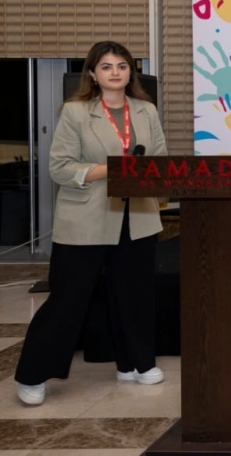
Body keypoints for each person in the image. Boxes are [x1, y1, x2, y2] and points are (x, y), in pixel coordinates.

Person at [15, 41, 168, 406]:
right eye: (107, 66)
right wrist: (112, 170)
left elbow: (160, 160)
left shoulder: (146, 110)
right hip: (86, 218)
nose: (115, 72)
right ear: (92, 74)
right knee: (68, 299)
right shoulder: (76, 111)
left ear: (131, 72)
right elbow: (60, 168)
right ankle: (32, 375)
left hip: (137, 218)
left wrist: (151, 174)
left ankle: (135, 364)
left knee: (134, 296)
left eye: (122, 66)